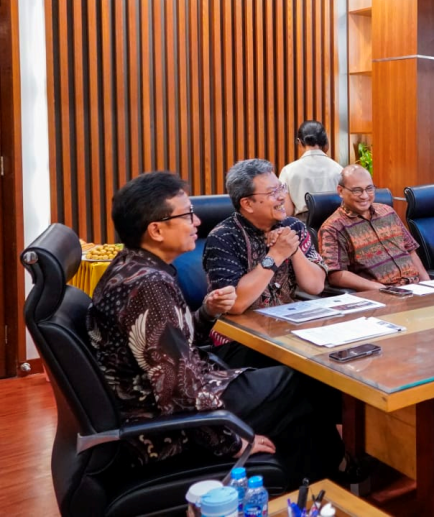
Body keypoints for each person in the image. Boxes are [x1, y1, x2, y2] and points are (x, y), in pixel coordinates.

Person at [87, 172, 344, 483]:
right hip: (166, 421)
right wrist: (229, 440)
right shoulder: (149, 287)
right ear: (156, 230)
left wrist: (206, 312)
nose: (197, 223)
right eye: (187, 215)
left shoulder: (135, 268)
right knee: (305, 383)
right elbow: (176, 388)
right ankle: (322, 480)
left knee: (299, 388)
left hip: (194, 384)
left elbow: (171, 344)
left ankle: (314, 473)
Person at [203, 159, 327, 359]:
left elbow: (316, 286)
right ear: (247, 204)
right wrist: (276, 254)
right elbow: (235, 304)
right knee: (310, 373)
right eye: (272, 193)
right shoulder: (223, 237)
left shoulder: (294, 227)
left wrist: (292, 249)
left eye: (281, 188)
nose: (282, 197)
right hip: (239, 340)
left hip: (289, 329)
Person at [318, 164, 431, 290]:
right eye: (357, 190)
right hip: (381, 294)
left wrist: (428, 285)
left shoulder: (388, 212)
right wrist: (382, 289)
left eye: (369, 189)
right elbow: (336, 274)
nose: (365, 196)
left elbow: (410, 250)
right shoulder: (333, 227)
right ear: (340, 191)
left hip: (415, 289)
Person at [278, 120, 344, 224]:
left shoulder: (288, 170)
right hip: (335, 225)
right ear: (325, 141)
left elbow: (287, 211)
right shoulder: (339, 169)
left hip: (303, 227)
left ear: (299, 142)